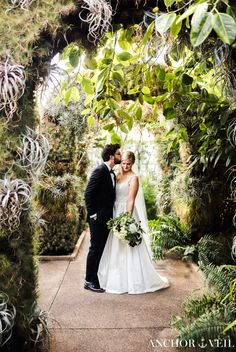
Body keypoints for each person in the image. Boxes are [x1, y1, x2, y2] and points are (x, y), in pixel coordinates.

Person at [98, 151, 169, 294]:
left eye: (128, 164)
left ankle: (133, 281)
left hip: (126, 213)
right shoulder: (116, 175)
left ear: (133, 164)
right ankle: (115, 278)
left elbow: (130, 200)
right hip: (115, 211)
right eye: (123, 163)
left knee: (129, 245)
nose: (125, 166)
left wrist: (126, 220)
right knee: (116, 247)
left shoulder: (134, 178)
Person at [84, 143, 121, 292]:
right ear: (112, 156)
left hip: (106, 218)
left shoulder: (111, 172)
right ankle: (89, 280)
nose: (120, 156)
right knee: (95, 248)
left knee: (100, 249)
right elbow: (88, 193)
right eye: (118, 154)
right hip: (97, 218)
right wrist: (93, 214)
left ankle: (95, 277)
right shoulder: (100, 170)